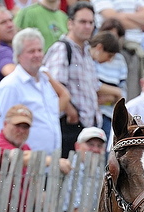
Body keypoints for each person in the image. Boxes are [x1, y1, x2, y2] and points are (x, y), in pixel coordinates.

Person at [44, 1, 102, 157]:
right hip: (70, 126)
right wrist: (71, 113)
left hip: (87, 125)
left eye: (91, 22)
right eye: (82, 22)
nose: (88, 26)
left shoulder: (87, 52)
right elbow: (53, 85)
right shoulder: (62, 48)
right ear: (70, 23)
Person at [0, 28, 63, 153]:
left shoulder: (46, 81)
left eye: (39, 50)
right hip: (25, 163)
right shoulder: (11, 84)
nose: (37, 55)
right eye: (31, 51)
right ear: (18, 55)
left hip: (50, 161)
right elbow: (3, 125)